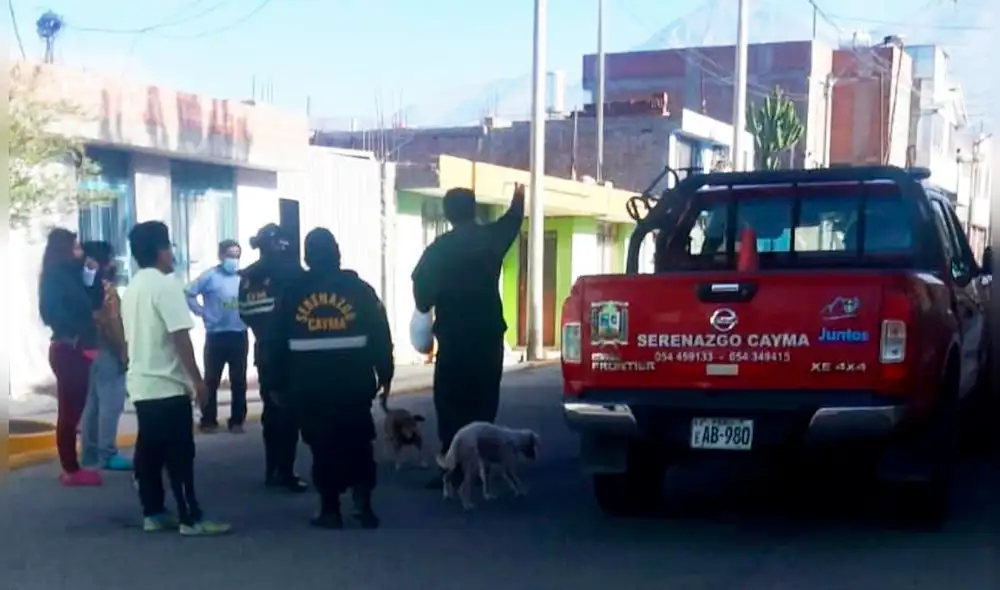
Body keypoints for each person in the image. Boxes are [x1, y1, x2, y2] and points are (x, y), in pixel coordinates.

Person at [270, 227, 393, 529]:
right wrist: (385, 372)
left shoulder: (292, 294)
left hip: (310, 388)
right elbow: (381, 333)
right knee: (359, 442)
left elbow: (274, 343)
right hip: (354, 384)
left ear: (307, 257)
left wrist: (276, 383)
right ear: (337, 254)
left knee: (323, 446)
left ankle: (330, 509)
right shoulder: (359, 290)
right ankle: (363, 505)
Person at [121, 221, 231, 536]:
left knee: (150, 453)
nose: (172, 253)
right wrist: (198, 380)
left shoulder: (133, 288)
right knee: (179, 455)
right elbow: (179, 336)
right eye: (169, 247)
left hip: (142, 384)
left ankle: (153, 512)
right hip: (168, 384)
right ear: (160, 251)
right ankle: (190, 517)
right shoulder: (166, 286)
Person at [411, 184, 525, 489]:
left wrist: (426, 313)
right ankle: (481, 463)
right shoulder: (491, 238)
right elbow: (512, 220)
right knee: (483, 402)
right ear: (474, 210)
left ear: (447, 214)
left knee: (451, 404)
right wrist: (519, 197)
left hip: (455, 340)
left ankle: (453, 466)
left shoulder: (439, 249)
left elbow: (422, 293)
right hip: (488, 336)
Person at [238, 223, 308, 492]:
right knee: (289, 414)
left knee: (271, 412)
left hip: (264, 351)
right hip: (289, 353)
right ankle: (286, 472)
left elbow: (245, 314)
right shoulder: (290, 271)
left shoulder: (248, 277)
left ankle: (272, 470)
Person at [38, 228, 103, 486]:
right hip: (69, 348)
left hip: (80, 347)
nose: (80, 251)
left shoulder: (74, 274)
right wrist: (75, 333)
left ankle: (72, 466)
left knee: (76, 408)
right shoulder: (54, 277)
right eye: (75, 247)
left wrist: (91, 275)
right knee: (69, 411)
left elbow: (94, 302)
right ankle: (70, 468)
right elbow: (51, 313)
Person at [186, 239, 249, 433]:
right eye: (230, 255)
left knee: (239, 381)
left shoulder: (243, 277)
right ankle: (208, 420)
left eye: (237, 256)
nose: (234, 260)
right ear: (221, 256)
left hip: (239, 333)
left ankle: (237, 420)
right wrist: (201, 312)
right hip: (216, 335)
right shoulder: (210, 277)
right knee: (211, 379)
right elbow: (188, 292)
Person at [79, 241, 132, 471]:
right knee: (111, 403)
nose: (112, 264)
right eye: (110, 259)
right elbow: (112, 323)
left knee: (91, 403)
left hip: (85, 348)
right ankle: (107, 452)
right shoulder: (106, 290)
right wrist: (123, 351)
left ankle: (89, 453)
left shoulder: (80, 286)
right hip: (106, 349)